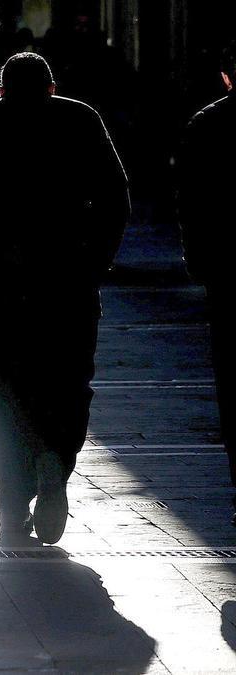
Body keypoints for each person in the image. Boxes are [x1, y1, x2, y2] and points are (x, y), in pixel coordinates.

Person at [0, 53, 129, 544]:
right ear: (51, 85)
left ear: (0, 89)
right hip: (69, 278)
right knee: (68, 381)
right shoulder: (80, 119)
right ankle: (54, 461)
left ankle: (12, 497)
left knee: (7, 388)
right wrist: (96, 259)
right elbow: (114, 195)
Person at [177, 45, 236, 526]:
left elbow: (190, 202)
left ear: (226, 77)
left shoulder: (207, 124)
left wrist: (195, 258)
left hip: (229, 269)